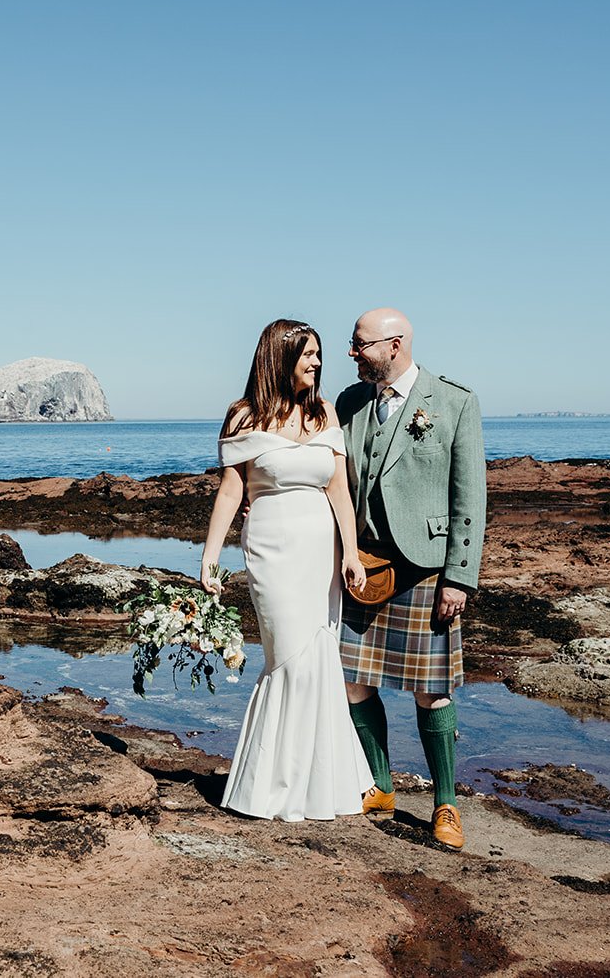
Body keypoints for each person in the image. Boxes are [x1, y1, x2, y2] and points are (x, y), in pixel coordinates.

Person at [200, 319, 375, 821]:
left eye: (318, 355)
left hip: (321, 550)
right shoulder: (243, 416)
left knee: (319, 657)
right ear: (280, 358)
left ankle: (322, 783)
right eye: (308, 355)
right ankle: (273, 784)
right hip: (272, 549)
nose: (317, 364)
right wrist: (210, 556)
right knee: (288, 656)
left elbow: (339, 491)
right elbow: (231, 491)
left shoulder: (323, 413)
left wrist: (351, 553)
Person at [335, 307, 486, 850]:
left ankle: (445, 803)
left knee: (432, 692)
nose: (350, 353)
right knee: (353, 679)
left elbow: (470, 498)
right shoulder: (349, 403)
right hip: (363, 565)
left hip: (426, 568)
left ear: (393, 345)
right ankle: (380, 786)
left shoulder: (454, 402)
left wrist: (459, 578)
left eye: (359, 345)